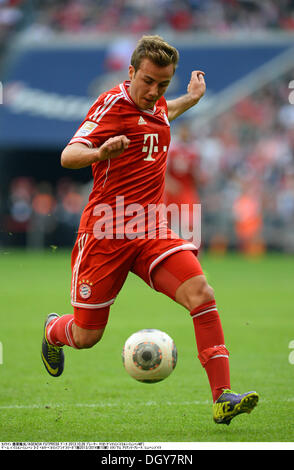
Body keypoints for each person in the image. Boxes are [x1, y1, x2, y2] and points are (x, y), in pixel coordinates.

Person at [41, 35, 259, 425]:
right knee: (87, 336)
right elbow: (67, 155)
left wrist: (189, 100)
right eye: (147, 81)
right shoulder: (112, 104)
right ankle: (53, 331)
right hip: (105, 232)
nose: (154, 91)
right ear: (130, 73)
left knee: (201, 293)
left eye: (162, 84)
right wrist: (99, 152)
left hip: (150, 230)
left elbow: (159, 114)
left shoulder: (154, 101)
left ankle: (222, 396)